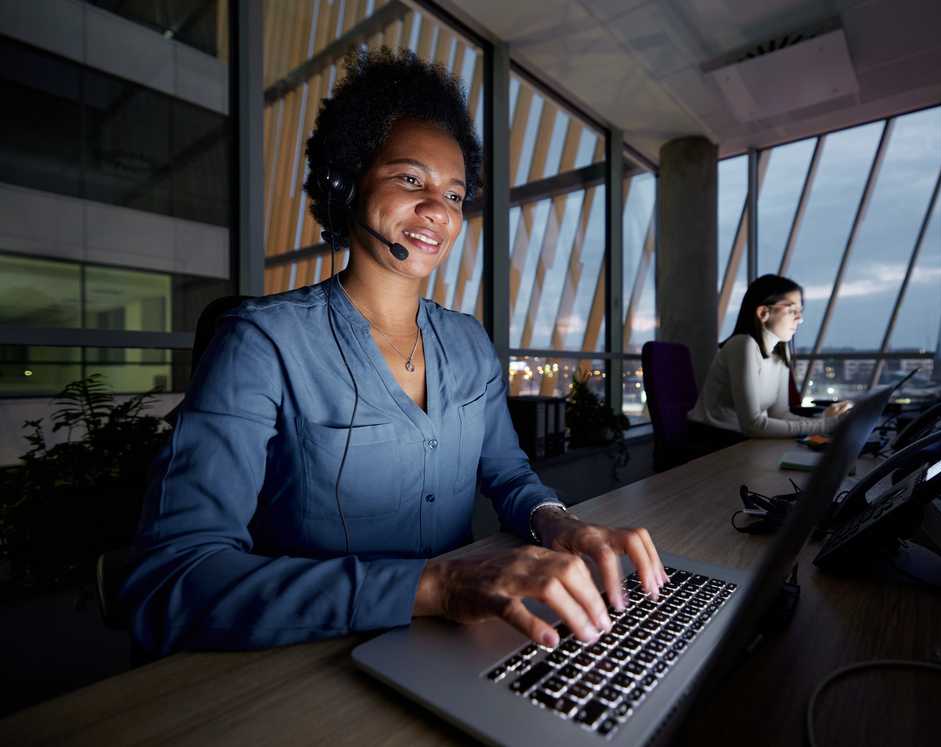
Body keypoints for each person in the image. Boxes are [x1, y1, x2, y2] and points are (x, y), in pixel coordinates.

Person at [121, 48, 666, 659]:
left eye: (455, 195)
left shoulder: (468, 344)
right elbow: (169, 581)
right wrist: (434, 585)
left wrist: (557, 522)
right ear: (345, 182)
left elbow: (509, 475)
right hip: (311, 662)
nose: (438, 210)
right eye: (411, 180)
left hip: (460, 646)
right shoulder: (260, 344)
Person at [687, 274, 852, 441]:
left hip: (742, 441)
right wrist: (828, 425)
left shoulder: (780, 351)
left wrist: (824, 421)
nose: (800, 319)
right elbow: (753, 425)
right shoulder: (743, 345)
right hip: (711, 442)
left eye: (800, 312)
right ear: (763, 312)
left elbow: (780, 415)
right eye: (792, 310)